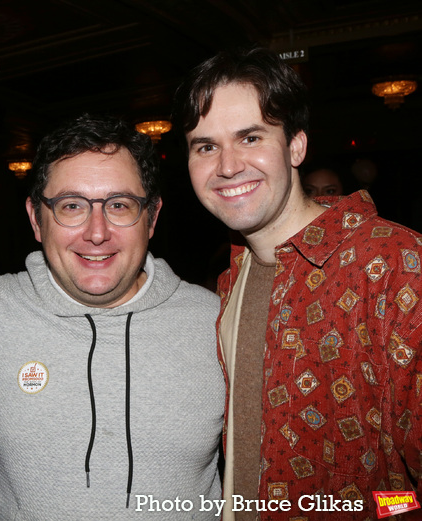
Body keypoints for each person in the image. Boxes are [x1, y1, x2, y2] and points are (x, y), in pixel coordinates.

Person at [174, 47, 422, 520]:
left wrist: (377, 511)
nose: (227, 166)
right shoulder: (231, 279)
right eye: (206, 146)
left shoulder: (395, 264)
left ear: (296, 146)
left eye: (249, 137)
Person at [0, 114, 224, 519]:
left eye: (120, 205)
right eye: (72, 206)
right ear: (36, 218)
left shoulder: (219, 323)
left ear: (152, 217)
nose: (97, 232)